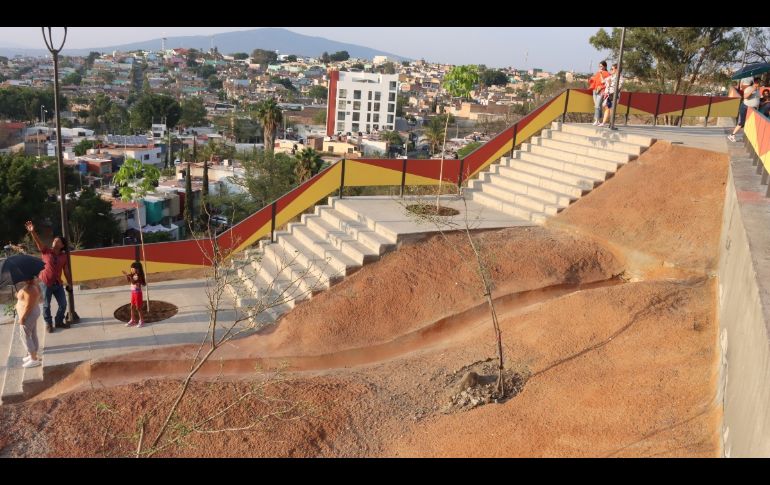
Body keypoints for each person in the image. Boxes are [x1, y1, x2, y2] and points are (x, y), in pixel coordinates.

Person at [24, 221, 70, 333]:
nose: (54, 241)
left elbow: (66, 270)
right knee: (46, 305)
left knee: (63, 304)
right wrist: (33, 232)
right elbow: (39, 243)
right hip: (45, 283)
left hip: (58, 284)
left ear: (62, 245)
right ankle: (49, 324)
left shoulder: (64, 256)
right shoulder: (46, 251)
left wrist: (70, 283)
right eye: (54, 239)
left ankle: (59, 321)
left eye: (57, 240)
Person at [16, 277, 42, 368]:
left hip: (29, 314)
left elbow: (28, 306)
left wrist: (22, 318)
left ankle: (33, 358)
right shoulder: (33, 286)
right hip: (33, 312)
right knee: (33, 333)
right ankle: (34, 354)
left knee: (24, 335)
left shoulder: (31, 289)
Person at [728, 77, 760, 142]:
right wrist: (752, 90)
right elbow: (745, 97)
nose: (759, 83)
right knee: (741, 123)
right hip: (745, 107)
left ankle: (744, 136)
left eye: (759, 82)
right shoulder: (749, 88)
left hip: (752, 109)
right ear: (754, 82)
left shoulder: (757, 90)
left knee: (748, 123)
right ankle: (732, 135)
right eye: (757, 82)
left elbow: (757, 98)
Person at [122, 261, 146, 328]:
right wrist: (127, 276)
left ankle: (141, 321)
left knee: (138, 308)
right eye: (131, 268)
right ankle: (132, 320)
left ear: (138, 269)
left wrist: (129, 276)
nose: (131, 270)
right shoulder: (133, 275)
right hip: (133, 292)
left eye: (133, 269)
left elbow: (133, 281)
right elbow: (129, 281)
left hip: (138, 293)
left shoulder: (138, 276)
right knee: (132, 306)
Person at [588, 61, 610, 125]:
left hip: (601, 91)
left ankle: (596, 120)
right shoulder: (597, 73)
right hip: (595, 90)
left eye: (601, 66)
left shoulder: (607, 74)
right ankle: (598, 120)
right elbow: (594, 81)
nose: (600, 67)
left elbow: (607, 83)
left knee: (597, 106)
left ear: (605, 66)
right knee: (597, 106)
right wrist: (591, 79)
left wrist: (601, 87)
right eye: (599, 66)